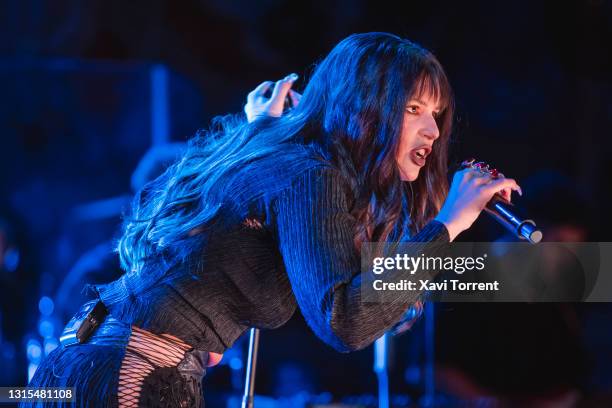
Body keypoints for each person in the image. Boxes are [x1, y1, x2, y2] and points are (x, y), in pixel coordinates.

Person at [25, 32, 520, 407]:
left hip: (91, 358)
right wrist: (450, 225)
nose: (433, 130)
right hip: (131, 370)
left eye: (437, 112)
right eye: (414, 107)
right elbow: (344, 320)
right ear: (364, 108)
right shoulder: (309, 173)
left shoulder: (278, 157)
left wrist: (260, 127)